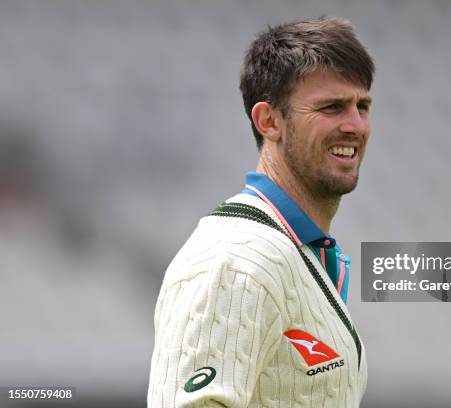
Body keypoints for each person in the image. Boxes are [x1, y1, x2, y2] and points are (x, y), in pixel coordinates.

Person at [147, 16, 375, 407]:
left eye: (362, 106)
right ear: (269, 121)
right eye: (332, 107)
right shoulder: (237, 260)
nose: (356, 125)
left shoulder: (296, 252)